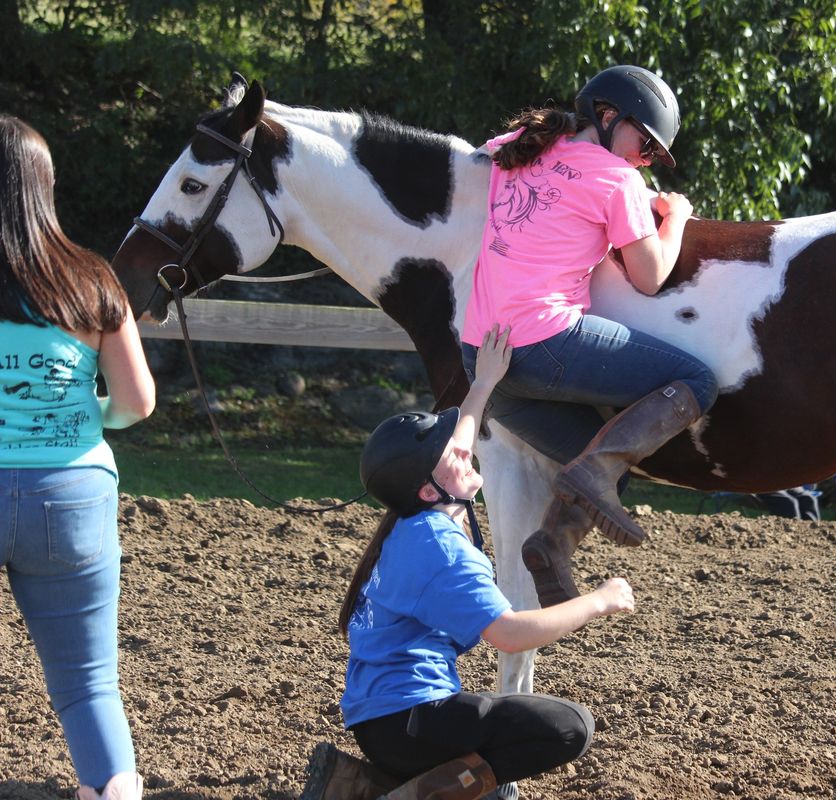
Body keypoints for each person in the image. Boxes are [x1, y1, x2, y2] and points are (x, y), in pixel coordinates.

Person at [300, 326, 635, 800]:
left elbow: (460, 435)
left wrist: (485, 381)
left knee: (521, 724)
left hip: (387, 722)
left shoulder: (416, 515)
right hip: (409, 723)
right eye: (451, 454)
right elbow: (510, 633)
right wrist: (598, 602)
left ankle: (372, 785)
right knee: (568, 727)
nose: (465, 448)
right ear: (427, 487)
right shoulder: (439, 544)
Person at [459, 65, 718, 608]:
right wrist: (676, 217)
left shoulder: (518, 148)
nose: (643, 160)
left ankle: (551, 546)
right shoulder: (617, 179)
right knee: (698, 378)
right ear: (607, 116)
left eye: (651, 155)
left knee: (606, 471)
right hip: (543, 344)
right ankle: (573, 510)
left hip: (482, 358)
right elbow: (650, 277)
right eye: (644, 144)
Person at [0, 115, 156, 800]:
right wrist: (83, 416)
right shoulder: (91, 280)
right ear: (46, 187)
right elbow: (136, 403)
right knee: (88, 684)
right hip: (71, 498)